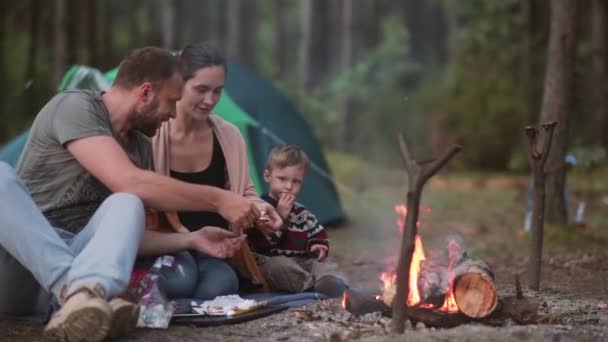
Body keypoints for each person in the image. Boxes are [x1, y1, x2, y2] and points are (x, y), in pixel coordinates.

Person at [0, 46, 263, 342]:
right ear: (146, 92)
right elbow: (129, 181)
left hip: (80, 267)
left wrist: (192, 239)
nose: (173, 112)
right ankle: (76, 291)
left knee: (126, 204)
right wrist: (218, 198)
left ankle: (83, 299)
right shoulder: (75, 107)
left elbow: (126, 232)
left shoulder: (139, 146)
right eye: (171, 101)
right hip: (22, 269)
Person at [149, 42, 281, 300]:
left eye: (218, 91)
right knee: (179, 283)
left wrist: (260, 208)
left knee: (219, 288)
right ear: (178, 84)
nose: (210, 100)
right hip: (168, 246)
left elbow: (246, 193)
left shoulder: (229, 136)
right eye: (201, 90)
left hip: (216, 249)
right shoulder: (152, 135)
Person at [247, 145, 347, 298]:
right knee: (279, 266)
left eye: (296, 182)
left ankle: (330, 283)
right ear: (267, 176)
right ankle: (310, 288)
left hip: (301, 260)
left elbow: (317, 232)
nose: (288, 186)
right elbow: (262, 245)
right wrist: (280, 216)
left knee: (322, 263)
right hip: (271, 261)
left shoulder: (301, 211)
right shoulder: (261, 208)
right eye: (282, 179)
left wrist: (317, 244)